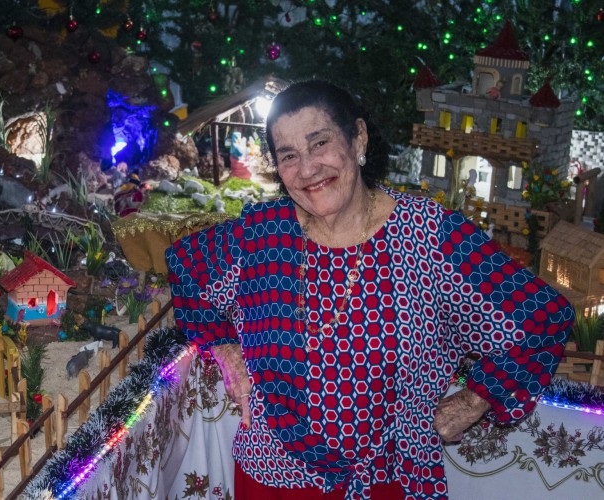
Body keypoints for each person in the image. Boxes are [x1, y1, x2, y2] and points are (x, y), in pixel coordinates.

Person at [166, 80, 573, 499]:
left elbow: (542, 317)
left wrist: (471, 402)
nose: (307, 169)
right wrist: (228, 353)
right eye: (289, 155)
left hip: (387, 480)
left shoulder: (429, 235)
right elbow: (186, 267)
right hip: (273, 476)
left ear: (357, 137)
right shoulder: (261, 234)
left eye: (319, 143)